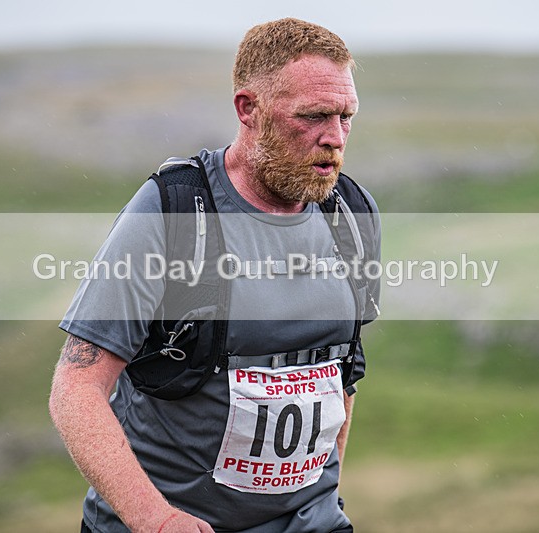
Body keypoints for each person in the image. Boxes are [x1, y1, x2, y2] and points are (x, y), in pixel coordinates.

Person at [49, 18, 381, 533]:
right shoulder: (173, 213)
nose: (334, 138)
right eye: (313, 116)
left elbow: (340, 373)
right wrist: (156, 521)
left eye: (346, 117)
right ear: (248, 109)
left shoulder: (352, 217)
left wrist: (324, 503)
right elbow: (76, 389)